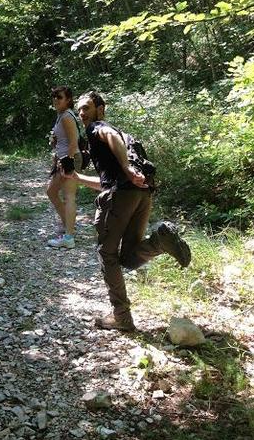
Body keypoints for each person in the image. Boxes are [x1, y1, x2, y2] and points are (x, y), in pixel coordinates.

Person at [64, 90, 191, 331]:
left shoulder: (98, 128)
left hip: (121, 197)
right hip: (140, 195)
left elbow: (108, 135)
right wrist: (77, 177)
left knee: (107, 254)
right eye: (79, 109)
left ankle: (122, 317)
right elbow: (108, 180)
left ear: (101, 109)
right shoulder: (125, 136)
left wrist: (126, 168)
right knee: (128, 255)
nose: (82, 113)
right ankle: (159, 242)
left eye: (87, 108)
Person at [46, 86, 82, 249]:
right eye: (54, 97)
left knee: (69, 196)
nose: (55, 100)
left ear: (68, 100)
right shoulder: (61, 115)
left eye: (59, 97)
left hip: (70, 159)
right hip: (62, 159)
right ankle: (69, 226)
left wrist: (66, 162)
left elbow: (74, 142)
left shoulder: (67, 116)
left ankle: (68, 237)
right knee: (51, 191)